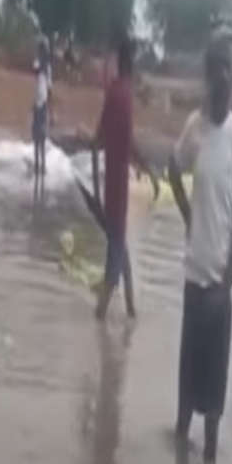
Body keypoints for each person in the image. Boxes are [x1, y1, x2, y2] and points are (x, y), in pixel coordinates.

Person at [168, 32, 232, 462]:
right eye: (214, 72)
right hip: (192, 281)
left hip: (217, 290)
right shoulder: (194, 129)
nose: (219, 83)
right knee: (184, 408)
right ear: (208, 77)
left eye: (226, 73)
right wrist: (187, 216)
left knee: (212, 416)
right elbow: (172, 166)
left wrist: (226, 284)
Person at [93, 36, 146, 322]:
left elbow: (99, 138)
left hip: (110, 180)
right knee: (116, 253)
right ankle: (99, 314)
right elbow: (129, 142)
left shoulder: (114, 92)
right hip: (118, 186)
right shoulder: (125, 95)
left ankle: (131, 308)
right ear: (131, 62)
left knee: (119, 245)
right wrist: (146, 164)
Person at [31, 36, 52, 177]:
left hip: (42, 103)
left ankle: (42, 165)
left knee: (41, 135)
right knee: (36, 135)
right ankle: (38, 164)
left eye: (42, 48)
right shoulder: (40, 64)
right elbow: (35, 70)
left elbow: (49, 88)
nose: (41, 51)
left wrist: (49, 106)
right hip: (38, 103)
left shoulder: (47, 67)